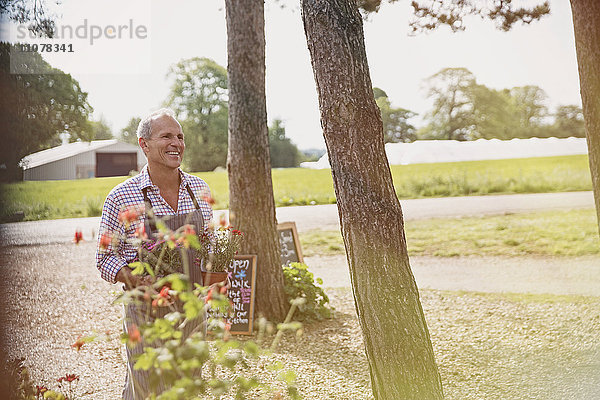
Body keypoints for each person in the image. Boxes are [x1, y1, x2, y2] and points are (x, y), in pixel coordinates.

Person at [95, 108, 213, 399]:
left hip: (192, 307)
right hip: (146, 309)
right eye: (166, 136)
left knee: (189, 382)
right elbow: (105, 257)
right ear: (144, 144)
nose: (176, 143)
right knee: (145, 384)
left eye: (180, 136)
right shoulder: (121, 196)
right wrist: (135, 280)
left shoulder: (199, 188)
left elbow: (209, 243)